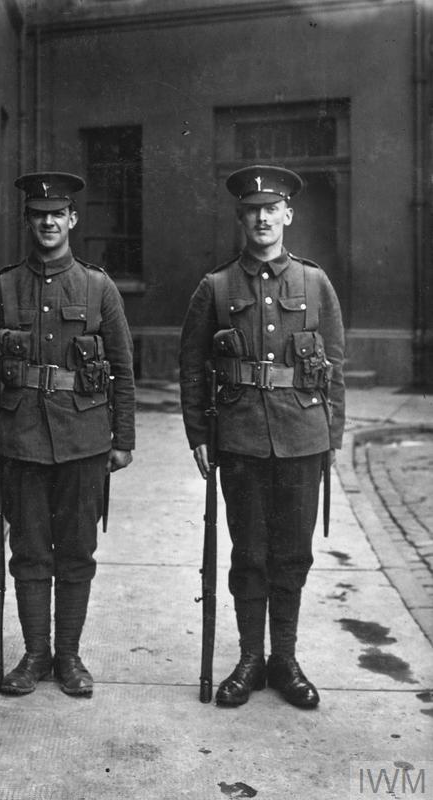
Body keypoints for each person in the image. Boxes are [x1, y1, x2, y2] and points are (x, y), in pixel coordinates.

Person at [0, 172, 135, 697]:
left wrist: (122, 439)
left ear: (72, 220)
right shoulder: (2, 288)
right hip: (22, 440)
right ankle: (35, 655)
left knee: (77, 551)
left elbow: (123, 369)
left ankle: (71, 658)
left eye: (58, 214)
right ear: (28, 220)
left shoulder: (98, 287)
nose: (49, 222)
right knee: (31, 551)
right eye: (40, 214)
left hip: (84, 440)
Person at [179, 165, 345, 709]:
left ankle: (285, 660)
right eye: (252, 210)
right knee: (248, 551)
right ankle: (250, 659)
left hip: (302, 436)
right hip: (242, 437)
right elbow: (192, 363)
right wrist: (199, 432)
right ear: (240, 219)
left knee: (292, 554)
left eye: (271, 209)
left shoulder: (315, 283)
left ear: (287, 215)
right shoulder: (217, 286)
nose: (262, 218)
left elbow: (335, 367)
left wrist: (332, 437)